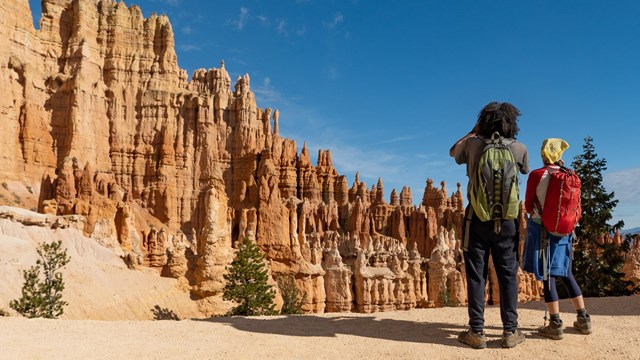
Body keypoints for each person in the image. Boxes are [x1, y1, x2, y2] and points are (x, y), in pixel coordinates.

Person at [450, 101, 529, 349]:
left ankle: (476, 332)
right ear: (511, 123)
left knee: (476, 275)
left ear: (483, 122)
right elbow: (525, 170)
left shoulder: (473, 145)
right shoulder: (519, 147)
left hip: (477, 219)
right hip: (507, 222)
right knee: (507, 275)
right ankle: (510, 331)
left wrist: (473, 131)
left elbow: (453, 152)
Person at [523, 138, 592, 340]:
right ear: (559, 155)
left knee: (548, 275)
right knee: (566, 272)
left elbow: (528, 206)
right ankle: (584, 319)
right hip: (565, 230)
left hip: (542, 229)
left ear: (544, 154)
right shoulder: (569, 174)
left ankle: (555, 323)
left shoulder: (537, 175)